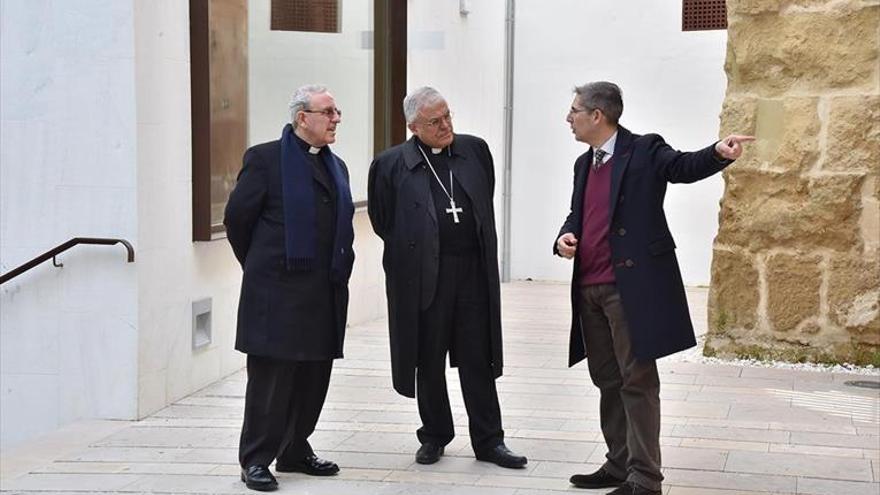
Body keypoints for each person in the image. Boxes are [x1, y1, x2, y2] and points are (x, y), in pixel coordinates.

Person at [554, 81, 753, 495]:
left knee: (637, 380)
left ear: (597, 115)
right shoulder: (582, 164)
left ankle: (645, 479)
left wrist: (718, 152)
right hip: (588, 286)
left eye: (574, 110)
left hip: (628, 287)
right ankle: (618, 463)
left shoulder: (644, 150)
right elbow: (579, 213)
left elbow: (681, 167)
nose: (568, 118)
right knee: (607, 379)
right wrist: (564, 237)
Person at [367, 86, 526, 469]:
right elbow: (383, 221)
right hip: (424, 277)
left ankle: (490, 441)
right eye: (434, 122)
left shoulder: (474, 150)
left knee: (477, 358)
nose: (445, 126)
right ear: (413, 127)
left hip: (471, 273)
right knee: (428, 358)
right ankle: (435, 435)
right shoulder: (390, 165)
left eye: (448, 116)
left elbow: (483, 199)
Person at [224, 84, 354, 492]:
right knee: (271, 380)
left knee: (314, 376)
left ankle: (296, 448)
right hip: (276, 294)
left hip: (323, 292)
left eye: (336, 112)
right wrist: (263, 267)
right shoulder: (264, 160)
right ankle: (257, 459)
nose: (336, 119)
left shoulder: (337, 166)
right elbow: (237, 221)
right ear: (302, 118)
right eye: (328, 112)